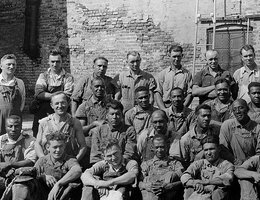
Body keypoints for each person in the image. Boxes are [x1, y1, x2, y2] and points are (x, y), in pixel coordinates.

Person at [11, 132, 82, 200]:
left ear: (64, 147)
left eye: (61, 147)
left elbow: (77, 170)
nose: (58, 150)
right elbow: (33, 174)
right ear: (48, 148)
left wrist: (58, 184)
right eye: (55, 147)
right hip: (42, 194)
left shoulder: (69, 159)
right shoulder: (42, 160)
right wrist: (44, 177)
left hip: (61, 195)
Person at [34, 91, 87, 164]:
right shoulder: (44, 122)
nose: (60, 106)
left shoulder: (75, 123)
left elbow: (83, 146)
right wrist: (44, 160)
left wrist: (74, 162)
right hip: (48, 163)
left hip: (68, 162)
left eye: (63, 102)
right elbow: (37, 144)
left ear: (68, 103)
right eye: (56, 103)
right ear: (52, 105)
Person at [32, 48, 74, 136]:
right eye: (52, 61)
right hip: (44, 111)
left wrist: (49, 96)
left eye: (58, 61)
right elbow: (39, 93)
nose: (55, 64)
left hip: (61, 110)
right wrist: (57, 96)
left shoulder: (68, 77)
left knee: (62, 136)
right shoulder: (43, 76)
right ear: (48, 62)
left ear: (62, 61)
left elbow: (67, 95)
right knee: (41, 135)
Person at [181, 134, 234, 200]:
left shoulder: (226, 164)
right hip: (199, 195)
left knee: (219, 192)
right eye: (206, 150)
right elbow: (184, 176)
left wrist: (206, 182)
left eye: (212, 149)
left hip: (216, 196)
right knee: (189, 189)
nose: (208, 153)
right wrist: (195, 183)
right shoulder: (199, 163)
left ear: (219, 149)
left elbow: (228, 178)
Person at [90, 100, 138, 165]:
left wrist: (117, 163)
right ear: (107, 116)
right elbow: (96, 155)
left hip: (123, 164)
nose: (114, 117)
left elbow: (129, 153)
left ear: (122, 115)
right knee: (87, 174)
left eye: (117, 114)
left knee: (133, 167)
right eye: (112, 114)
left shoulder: (129, 130)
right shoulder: (98, 131)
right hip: (103, 164)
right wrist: (108, 164)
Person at [75, 77, 108, 168]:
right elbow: (80, 130)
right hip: (90, 142)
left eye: (102, 86)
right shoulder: (84, 106)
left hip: (107, 140)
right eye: (96, 86)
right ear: (91, 87)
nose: (99, 89)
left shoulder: (110, 104)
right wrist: (93, 124)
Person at [139, 134, 184, 200]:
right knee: (148, 179)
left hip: (169, 195)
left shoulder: (175, 163)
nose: (159, 150)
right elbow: (139, 183)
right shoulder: (146, 164)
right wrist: (147, 186)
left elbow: (184, 180)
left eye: (162, 147)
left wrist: (171, 186)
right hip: (151, 195)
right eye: (157, 147)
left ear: (167, 146)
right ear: (152, 148)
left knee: (171, 175)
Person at [0, 115, 36, 195]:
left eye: (16, 126)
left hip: (22, 175)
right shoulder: (1, 140)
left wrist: (9, 165)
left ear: (21, 127)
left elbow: (30, 161)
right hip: (4, 174)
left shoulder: (30, 140)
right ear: (5, 127)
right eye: (10, 126)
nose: (13, 129)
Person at [219, 99, 260, 166]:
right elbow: (223, 149)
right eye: (234, 109)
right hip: (231, 164)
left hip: (252, 165)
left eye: (241, 108)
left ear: (247, 109)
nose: (237, 111)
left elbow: (259, 153)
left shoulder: (257, 128)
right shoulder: (227, 125)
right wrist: (236, 162)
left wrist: (248, 164)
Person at [0, 54, 25, 135]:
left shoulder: (20, 83)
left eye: (13, 64)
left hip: (14, 123)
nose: (11, 66)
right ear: (1, 66)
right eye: (8, 64)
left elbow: (22, 103)